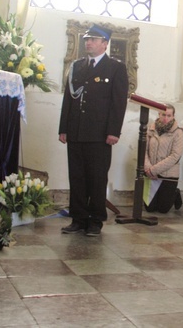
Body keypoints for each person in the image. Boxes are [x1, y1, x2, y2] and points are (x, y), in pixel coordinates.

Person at [58, 24, 128, 236]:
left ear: (105, 44)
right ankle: (78, 218)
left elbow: (118, 103)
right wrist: (64, 128)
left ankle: (96, 220)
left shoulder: (115, 68)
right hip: (76, 132)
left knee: (97, 178)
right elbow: (68, 100)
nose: (88, 42)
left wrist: (114, 131)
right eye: (87, 39)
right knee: (77, 176)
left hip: (99, 135)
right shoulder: (77, 66)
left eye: (94, 39)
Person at [144, 104, 183, 213]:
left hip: (168, 175)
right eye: (163, 115)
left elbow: (175, 156)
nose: (165, 118)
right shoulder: (150, 130)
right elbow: (143, 151)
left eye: (169, 115)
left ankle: (175, 192)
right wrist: (148, 168)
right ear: (158, 114)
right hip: (150, 173)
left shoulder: (178, 132)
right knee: (150, 208)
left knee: (163, 209)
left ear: (173, 116)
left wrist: (154, 170)